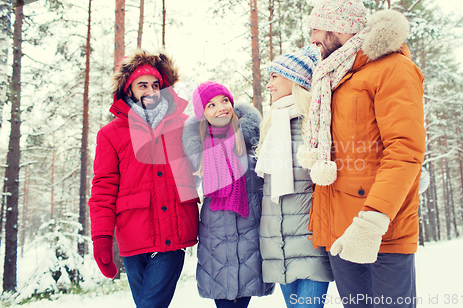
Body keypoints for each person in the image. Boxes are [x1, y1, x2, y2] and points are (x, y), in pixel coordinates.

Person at [297, 0, 426, 307]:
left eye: (316, 30)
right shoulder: (334, 78)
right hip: (340, 235)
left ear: (337, 30)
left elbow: (405, 151)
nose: (312, 39)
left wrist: (372, 221)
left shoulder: (392, 69)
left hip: (379, 231)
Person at [89, 49, 200, 308]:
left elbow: (208, 161)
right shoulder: (110, 134)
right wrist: (101, 238)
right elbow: (103, 189)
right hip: (133, 235)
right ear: (128, 89)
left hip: (173, 232)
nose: (151, 90)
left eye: (156, 85)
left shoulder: (183, 124)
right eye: (143, 85)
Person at [182, 81, 274, 308]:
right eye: (211, 105)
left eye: (224, 101)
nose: (220, 107)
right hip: (216, 245)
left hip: (249, 240)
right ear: (202, 114)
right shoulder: (200, 152)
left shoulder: (255, 145)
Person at [255, 47, 334, 308]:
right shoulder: (270, 124)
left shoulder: (315, 124)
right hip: (277, 246)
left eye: (275, 76)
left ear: (295, 79)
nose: (269, 85)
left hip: (311, 242)